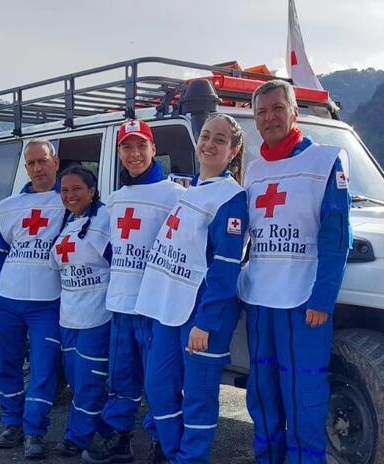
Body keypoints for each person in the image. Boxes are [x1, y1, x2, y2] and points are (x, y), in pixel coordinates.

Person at [238, 80, 352, 463]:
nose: (269, 117)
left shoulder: (324, 161)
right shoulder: (253, 171)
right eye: (261, 112)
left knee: (304, 393)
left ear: (294, 111)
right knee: (263, 390)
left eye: (276, 109)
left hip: (304, 302)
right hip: (260, 300)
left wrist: (323, 298)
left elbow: (337, 237)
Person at [135, 114, 248, 464]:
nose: (209, 144)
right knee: (158, 387)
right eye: (205, 136)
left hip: (201, 316)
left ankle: (190, 459)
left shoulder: (231, 198)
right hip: (169, 309)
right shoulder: (191, 191)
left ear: (234, 151)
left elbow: (225, 268)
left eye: (220, 139)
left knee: (198, 397)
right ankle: (172, 452)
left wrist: (206, 322)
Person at [82, 119, 185, 464]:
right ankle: (119, 439)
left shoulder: (176, 196)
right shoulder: (115, 199)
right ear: (119, 152)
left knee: (160, 382)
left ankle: (162, 443)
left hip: (156, 306)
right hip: (122, 301)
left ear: (154, 149)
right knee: (121, 378)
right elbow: (109, 246)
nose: (135, 153)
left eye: (142, 145)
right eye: (127, 147)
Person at [0, 139, 64, 460]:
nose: (37, 168)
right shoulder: (10, 206)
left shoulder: (68, 201)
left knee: (44, 368)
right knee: (6, 364)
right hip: (7, 299)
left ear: (54, 161)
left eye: (42, 161)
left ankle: (34, 431)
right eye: (30, 163)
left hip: (47, 302)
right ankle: (12, 423)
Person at [48, 166, 113, 457]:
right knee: (76, 381)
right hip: (69, 317)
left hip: (97, 317)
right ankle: (108, 431)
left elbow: (118, 264)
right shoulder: (66, 223)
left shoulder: (104, 221)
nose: (70, 195)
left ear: (92, 191)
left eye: (76, 189)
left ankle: (78, 437)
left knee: (89, 382)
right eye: (64, 190)